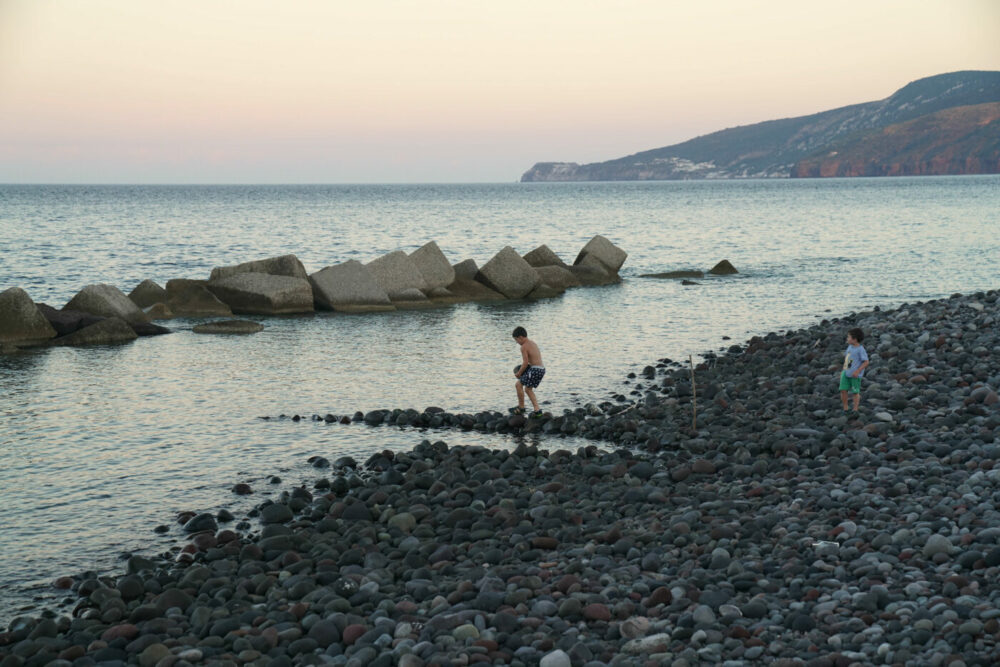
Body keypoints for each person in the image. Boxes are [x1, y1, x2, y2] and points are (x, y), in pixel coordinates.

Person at [511, 326, 545, 417]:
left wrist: (519, 373)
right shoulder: (533, 343)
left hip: (535, 370)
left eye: (516, 340)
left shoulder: (524, 347)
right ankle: (537, 411)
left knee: (518, 385)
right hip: (541, 369)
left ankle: (521, 408)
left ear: (520, 337)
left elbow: (525, 363)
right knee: (528, 389)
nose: (516, 342)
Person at [839, 327, 869, 414]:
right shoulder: (849, 347)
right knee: (843, 390)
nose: (847, 339)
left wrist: (858, 371)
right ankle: (845, 408)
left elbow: (866, 362)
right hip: (846, 372)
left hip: (855, 375)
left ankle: (855, 409)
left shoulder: (860, 349)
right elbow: (848, 359)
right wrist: (843, 370)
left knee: (855, 392)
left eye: (848, 337)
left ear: (855, 339)